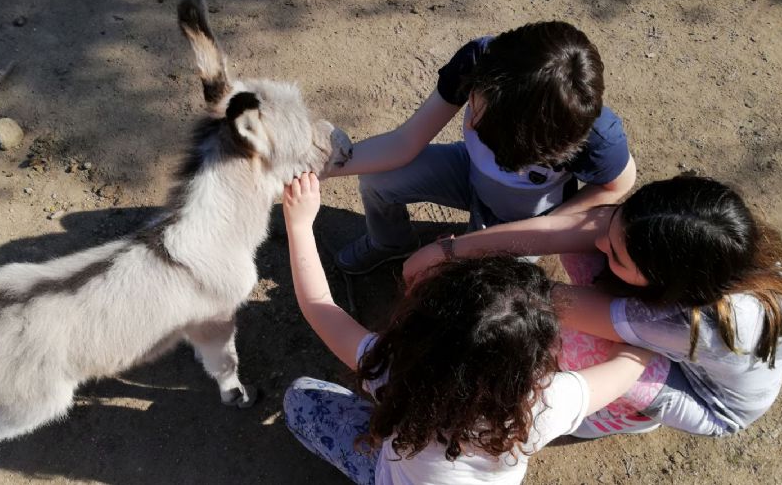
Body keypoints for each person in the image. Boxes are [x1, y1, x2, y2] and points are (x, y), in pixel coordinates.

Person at [280, 173, 655, 484]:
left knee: (299, 398)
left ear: (422, 326)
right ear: (535, 355)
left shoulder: (394, 371)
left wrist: (299, 225)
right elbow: (629, 365)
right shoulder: (544, 404)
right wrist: (659, 322)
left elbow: (319, 306)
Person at [403, 175, 782, 437]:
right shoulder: (713, 246)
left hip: (706, 400)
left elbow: (547, 302)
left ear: (667, 283)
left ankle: (615, 415)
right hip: (689, 336)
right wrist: (450, 251)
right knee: (589, 241)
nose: (603, 247)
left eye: (619, 258)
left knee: (573, 339)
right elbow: (575, 228)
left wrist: (457, 277)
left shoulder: (695, 323)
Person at [325, 21, 636, 275]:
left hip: (527, 213)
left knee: (474, 284)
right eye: (474, 108)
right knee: (378, 179)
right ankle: (391, 243)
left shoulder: (596, 137)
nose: (470, 124)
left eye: (488, 128)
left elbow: (618, 183)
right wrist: (322, 166)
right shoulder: (480, 61)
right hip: (468, 171)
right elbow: (405, 142)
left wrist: (543, 229)